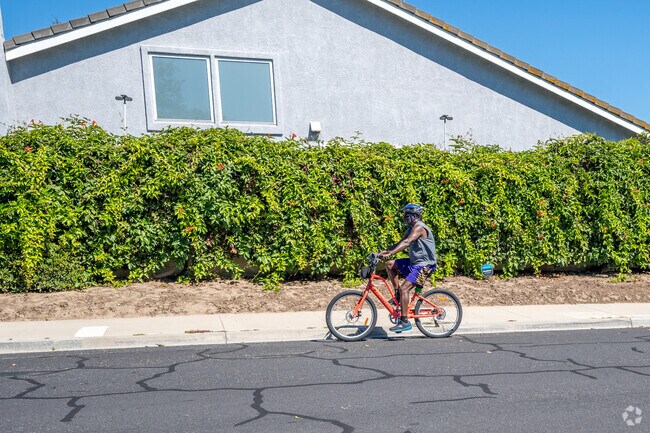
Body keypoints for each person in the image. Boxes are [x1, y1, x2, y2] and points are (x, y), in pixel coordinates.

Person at [378, 204, 437, 333]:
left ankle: (404, 321)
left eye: (406, 216)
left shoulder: (419, 227)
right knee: (390, 265)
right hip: (414, 263)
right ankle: (398, 295)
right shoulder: (411, 227)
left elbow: (407, 242)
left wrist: (391, 253)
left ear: (414, 216)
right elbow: (401, 242)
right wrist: (383, 252)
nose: (404, 218)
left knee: (405, 288)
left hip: (424, 266)